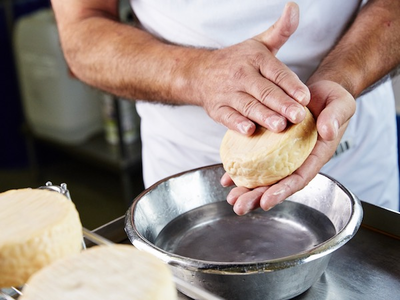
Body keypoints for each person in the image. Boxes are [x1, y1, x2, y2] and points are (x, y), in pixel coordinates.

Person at [50, 0, 400, 213]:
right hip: (188, 179)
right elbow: (82, 31)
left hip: (355, 157)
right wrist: (197, 73)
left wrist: (343, 76)